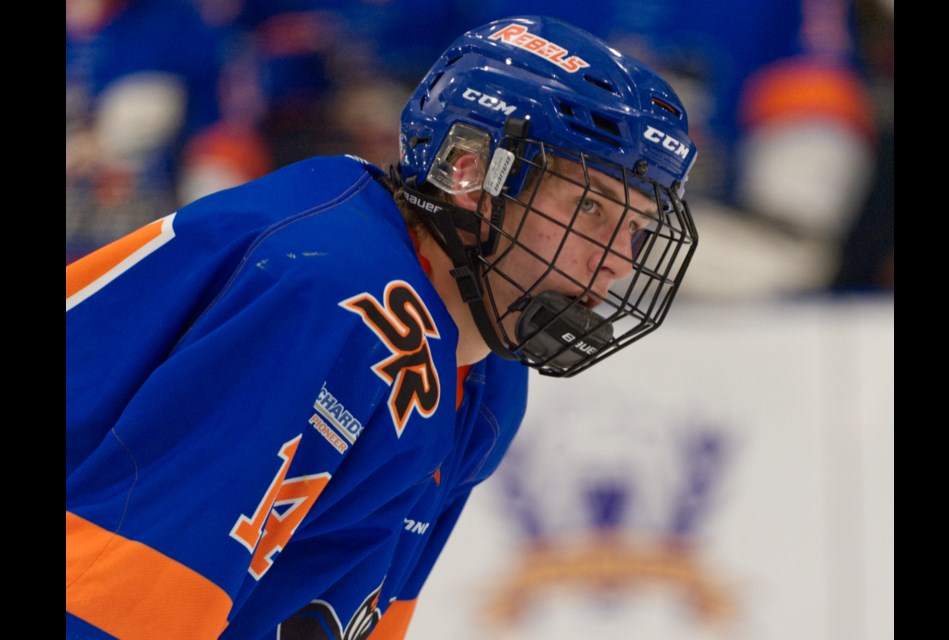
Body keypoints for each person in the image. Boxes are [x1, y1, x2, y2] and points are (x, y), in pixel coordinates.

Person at [66, 15, 698, 640]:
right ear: (469, 172)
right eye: (589, 206)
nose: (618, 260)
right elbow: (116, 604)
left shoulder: (485, 378)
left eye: (638, 227)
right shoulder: (331, 290)